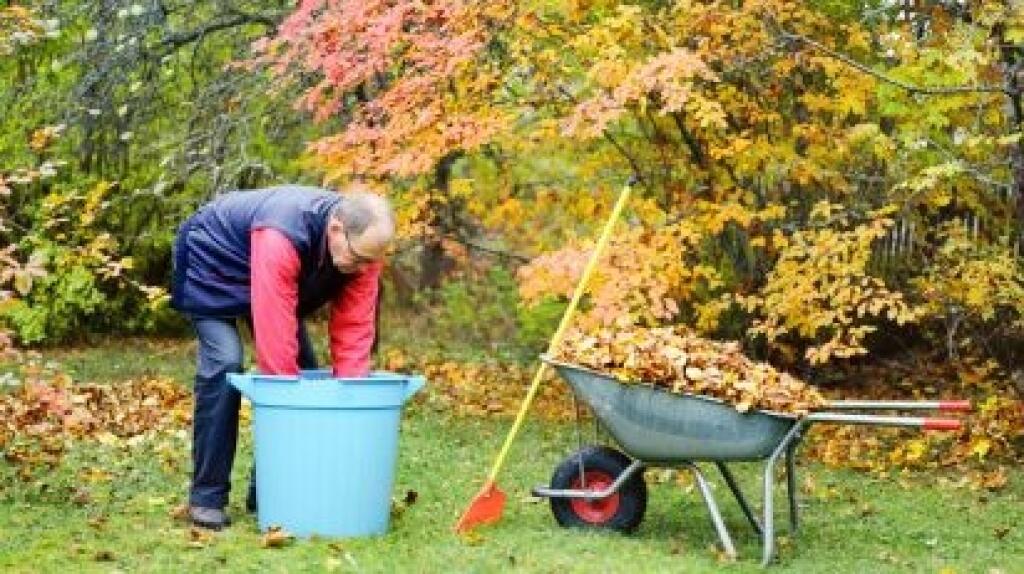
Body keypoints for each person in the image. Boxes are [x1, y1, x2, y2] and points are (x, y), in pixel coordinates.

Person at [169, 184, 395, 529]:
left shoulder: (364, 253)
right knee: (226, 362)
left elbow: (354, 330)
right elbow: (275, 353)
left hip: (267, 269)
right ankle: (207, 497)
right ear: (336, 229)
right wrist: (283, 390)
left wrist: (351, 394)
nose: (364, 268)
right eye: (359, 259)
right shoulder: (282, 234)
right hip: (212, 257)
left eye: (371, 261)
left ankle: (269, 492)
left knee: (302, 372)